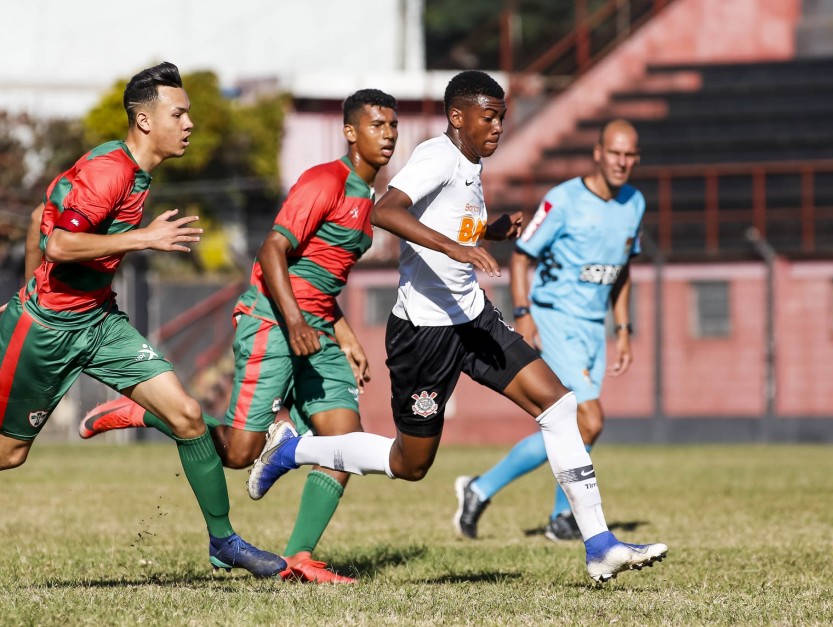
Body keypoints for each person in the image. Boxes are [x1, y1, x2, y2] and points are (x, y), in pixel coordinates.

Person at [247, 71, 668, 583]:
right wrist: (458, 248)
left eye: (501, 118)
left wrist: (489, 231)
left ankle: (599, 544)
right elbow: (386, 211)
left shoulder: (470, 163)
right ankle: (293, 449)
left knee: (558, 405)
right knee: (410, 463)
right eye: (488, 117)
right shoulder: (436, 156)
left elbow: (450, 224)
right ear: (456, 117)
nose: (497, 127)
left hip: (472, 319)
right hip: (424, 334)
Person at [78, 89, 400, 584]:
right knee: (237, 454)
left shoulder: (370, 198)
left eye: (393, 126)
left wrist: (345, 334)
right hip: (273, 323)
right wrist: (294, 321)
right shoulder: (324, 181)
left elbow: (319, 276)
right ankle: (144, 411)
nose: (389, 135)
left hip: (316, 331)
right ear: (351, 132)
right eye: (377, 125)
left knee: (344, 442)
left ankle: (301, 557)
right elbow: (273, 251)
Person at [0, 62, 286, 577]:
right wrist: (141, 238)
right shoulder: (110, 170)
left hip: (99, 322)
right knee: (9, 453)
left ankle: (224, 542)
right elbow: (56, 242)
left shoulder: (137, 172)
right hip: (46, 330)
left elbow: (45, 217)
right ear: (145, 120)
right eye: (179, 113)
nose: (189, 123)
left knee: (188, 416)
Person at [454, 119, 645, 542]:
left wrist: (625, 329)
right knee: (589, 420)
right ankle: (559, 515)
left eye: (630, 155)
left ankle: (484, 490)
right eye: (615, 153)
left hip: (593, 327)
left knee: (574, 424)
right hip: (555, 317)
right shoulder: (563, 200)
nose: (622, 162)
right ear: (598, 153)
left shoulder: (634, 203)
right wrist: (524, 314)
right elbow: (522, 255)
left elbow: (623, 268)